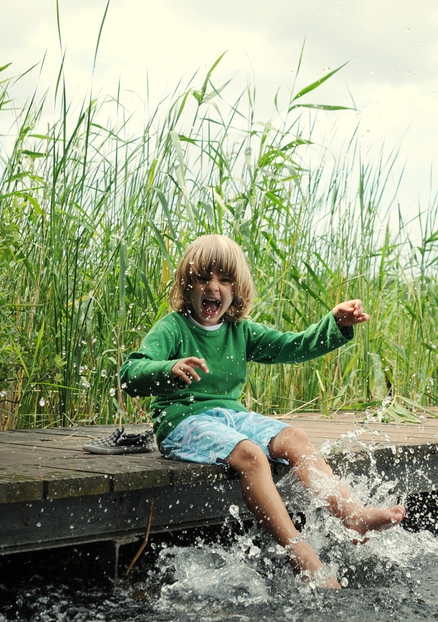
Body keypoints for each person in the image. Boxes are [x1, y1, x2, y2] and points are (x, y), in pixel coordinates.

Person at [119, 234, 405, 588]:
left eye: (224, 280)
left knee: (295, 438)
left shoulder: (240, 331)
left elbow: (292, 346)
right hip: (183, 420)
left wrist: (335, 324)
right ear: (186, 283)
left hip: (231, 415)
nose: (213, 288)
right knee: (251, 455)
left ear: (236, 289)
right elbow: (130, 375)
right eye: (203, 278)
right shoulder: (172, 328)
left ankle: (353, 515)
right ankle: (303, 556)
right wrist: (168, 368)